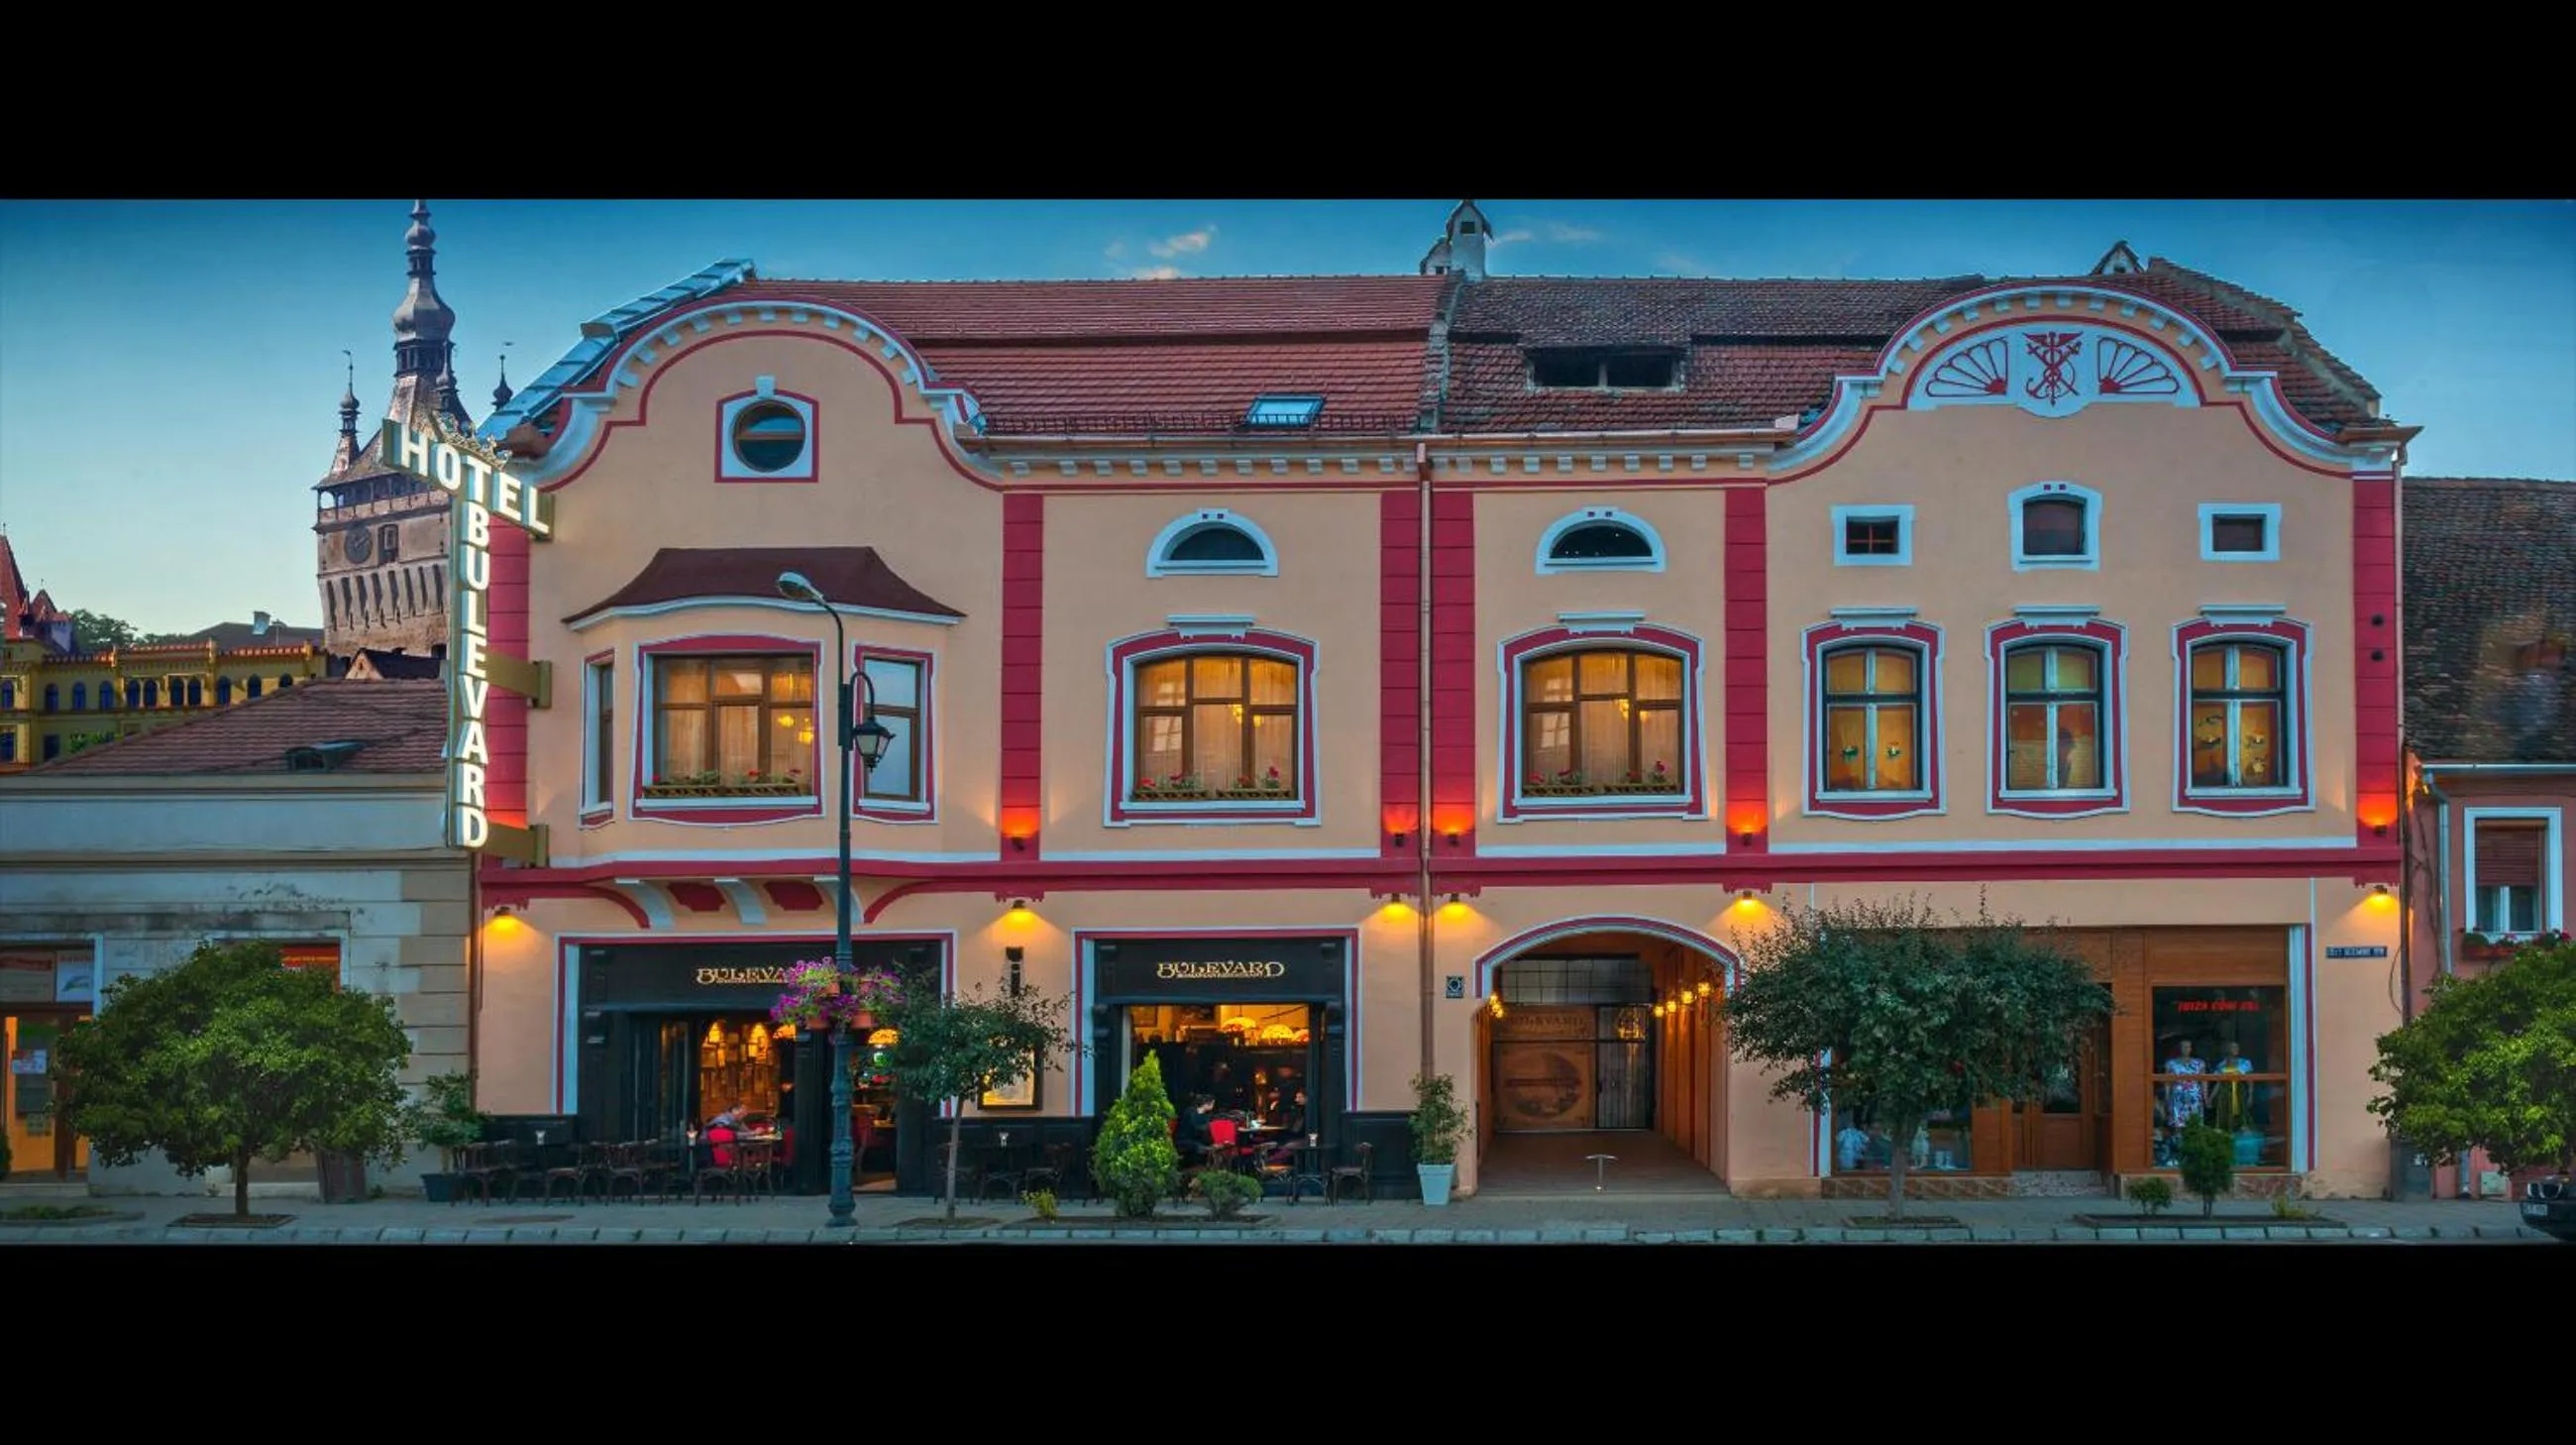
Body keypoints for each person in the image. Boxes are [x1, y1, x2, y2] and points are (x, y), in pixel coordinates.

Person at [2161, 1038, 2208, 1131]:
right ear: (2180, 1049)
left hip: (2194, 1097)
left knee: (2195, 1123)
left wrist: (2205, 1097)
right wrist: (2166, 1097)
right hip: (2177, 1097)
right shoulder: (2171, 1064)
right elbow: (2167, 1082)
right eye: (2184, 1047)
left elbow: (2204, 1081)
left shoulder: (2199, 1063)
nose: (2186, 1049)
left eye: (2188, 1047)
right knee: (2178, 1123)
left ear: (2191, 1049)